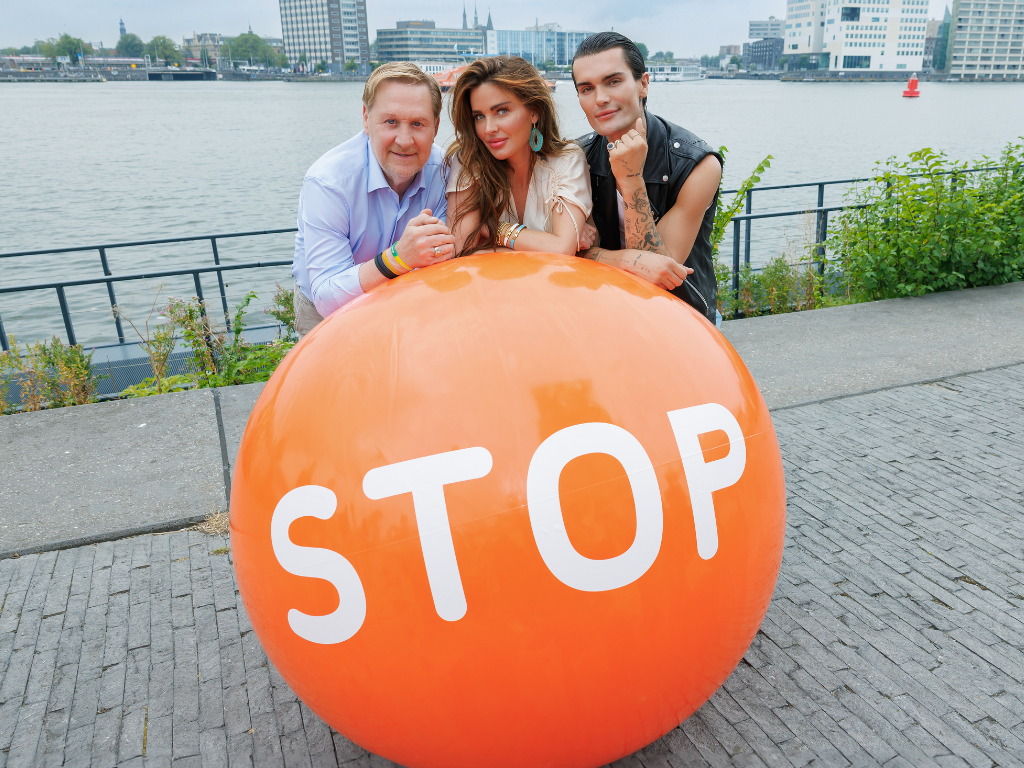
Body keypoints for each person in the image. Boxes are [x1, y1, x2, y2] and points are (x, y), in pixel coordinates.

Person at [291, 63, 457, 338]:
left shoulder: (444, 170)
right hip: (325, 313)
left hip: (403, 298)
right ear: (366, 119)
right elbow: (326, 296)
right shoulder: (328, 182)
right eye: (390, 122)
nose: (404, 141)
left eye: (417, 124)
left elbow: (440, 257)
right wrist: (398, 258)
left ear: (436, 126)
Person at [571, 33, 724, 325]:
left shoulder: (696, 164)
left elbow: (659, 274)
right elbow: (561, 250)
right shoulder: (579, 156)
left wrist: (630, 180)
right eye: (587, 88)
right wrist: (622, 260)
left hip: (683, 317)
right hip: (607, 312)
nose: (600, 98)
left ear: (643, 84)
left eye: (613, 81)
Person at [444, 57, 597, 257]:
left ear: (534, 111)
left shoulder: (567, 161)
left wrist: (493, 230)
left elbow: (562, 249)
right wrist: (540, 243)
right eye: (479, 116)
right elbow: (461, 251)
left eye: (502, 111)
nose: (488, 129)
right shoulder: (470, 161)